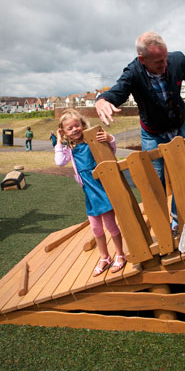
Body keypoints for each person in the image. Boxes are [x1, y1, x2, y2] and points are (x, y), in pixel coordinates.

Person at [95, 31, 185, 230]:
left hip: (180, 127)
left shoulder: (176, 60)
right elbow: (116, 92)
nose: (164, 64)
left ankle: (177, 223)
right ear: (142, 59)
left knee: (181, 176)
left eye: (165, 58)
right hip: (152, 134)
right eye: (158, 62)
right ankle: (161, 223)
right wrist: (102, 101)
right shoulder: (133, 72)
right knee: (156, 180)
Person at [55, 108, 126, 276]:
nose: (74, 130)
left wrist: (110, 139)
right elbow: (59, 162)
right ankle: (104, 257)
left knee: (110, 225)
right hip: (89, 192)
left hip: (102, 189)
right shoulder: (69, 149)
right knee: (95, 228)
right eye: (69, 128)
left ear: (82, 124)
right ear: (64, 132)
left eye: (76, 125)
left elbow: (111, 151)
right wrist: (59, 140)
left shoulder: (91, 140)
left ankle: (120, 255)